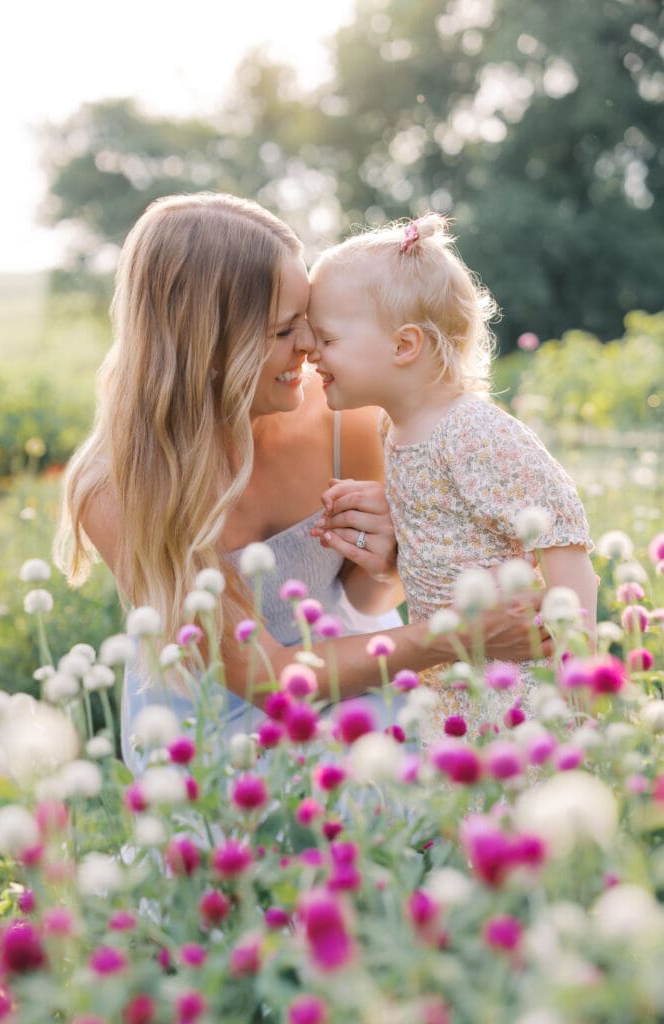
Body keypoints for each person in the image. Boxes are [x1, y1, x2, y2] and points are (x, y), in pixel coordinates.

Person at [54, 193, 547, 772]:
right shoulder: (118, 486)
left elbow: (367, 603)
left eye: (308, 318)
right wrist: (457, 636)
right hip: (214, 722)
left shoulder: (345, 418)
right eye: (285, 329)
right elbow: (265, 681)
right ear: (208, 344)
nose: (311, 345)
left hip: (361, 670)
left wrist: (386, 562)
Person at [307, 213, 596, 736]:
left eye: (326, 338)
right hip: (453, 679)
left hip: (518, 683)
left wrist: (579, 681)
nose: (311, 353)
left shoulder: (472, 431)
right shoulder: (390, 429)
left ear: (403, 346)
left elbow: (562, 527)